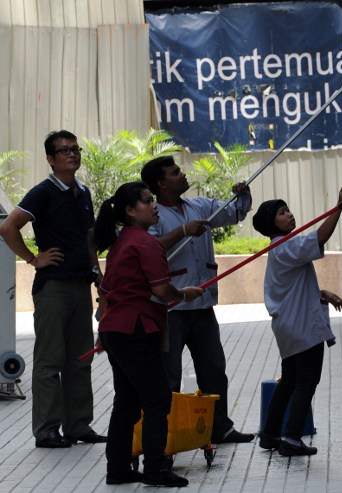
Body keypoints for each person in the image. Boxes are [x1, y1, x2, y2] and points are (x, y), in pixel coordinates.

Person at [0, 130, 106, 448]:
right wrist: (34, 258)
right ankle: (47, 430)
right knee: (50, 361)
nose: (72, 155)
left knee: (81, 358)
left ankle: (79, 426)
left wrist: (97, 271)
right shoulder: (43, 192)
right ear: (50, 159)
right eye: (64, 151)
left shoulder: (83, 192)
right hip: (53, 288)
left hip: (80, 285)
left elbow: (89, 238)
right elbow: (7, 227)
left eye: (75, 149)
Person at [94, 181, 203, 487]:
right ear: (130, 211)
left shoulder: (123, 240)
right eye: (146, 201)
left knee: (127, 402)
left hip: (116, 329)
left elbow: (108, 290)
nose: (153, 205)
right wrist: (184, 295)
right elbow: (160, 290)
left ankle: (118, 469)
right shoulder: (144, 242)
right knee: (156, 399)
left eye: (152, 199)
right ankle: (156, 469)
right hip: (136, 330)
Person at [140, 156, 254, 444]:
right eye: (175, 172)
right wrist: (182, 231)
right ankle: (166, 432)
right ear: (160, 184)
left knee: (214, 368)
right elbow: (148, 248)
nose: (183, 175)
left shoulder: (199, 206)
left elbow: (234, 213)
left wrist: (242, 195)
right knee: (169, 375)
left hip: (202, 306)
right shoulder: (153, 216)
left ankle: (219, 427)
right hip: (170, 307)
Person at [254, 184, 342, 456]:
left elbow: (292, 287)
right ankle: (292, 439)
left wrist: (321, 293)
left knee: (290, 380)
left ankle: (270, 434)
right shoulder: (286, 246)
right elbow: (320, 236)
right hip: (300, 327)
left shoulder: (281, 248)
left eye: (288, 211)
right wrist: (339, 207)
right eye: (282, 213)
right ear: (272, 223)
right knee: (307, 381)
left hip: (290, 326)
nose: (289, 215)